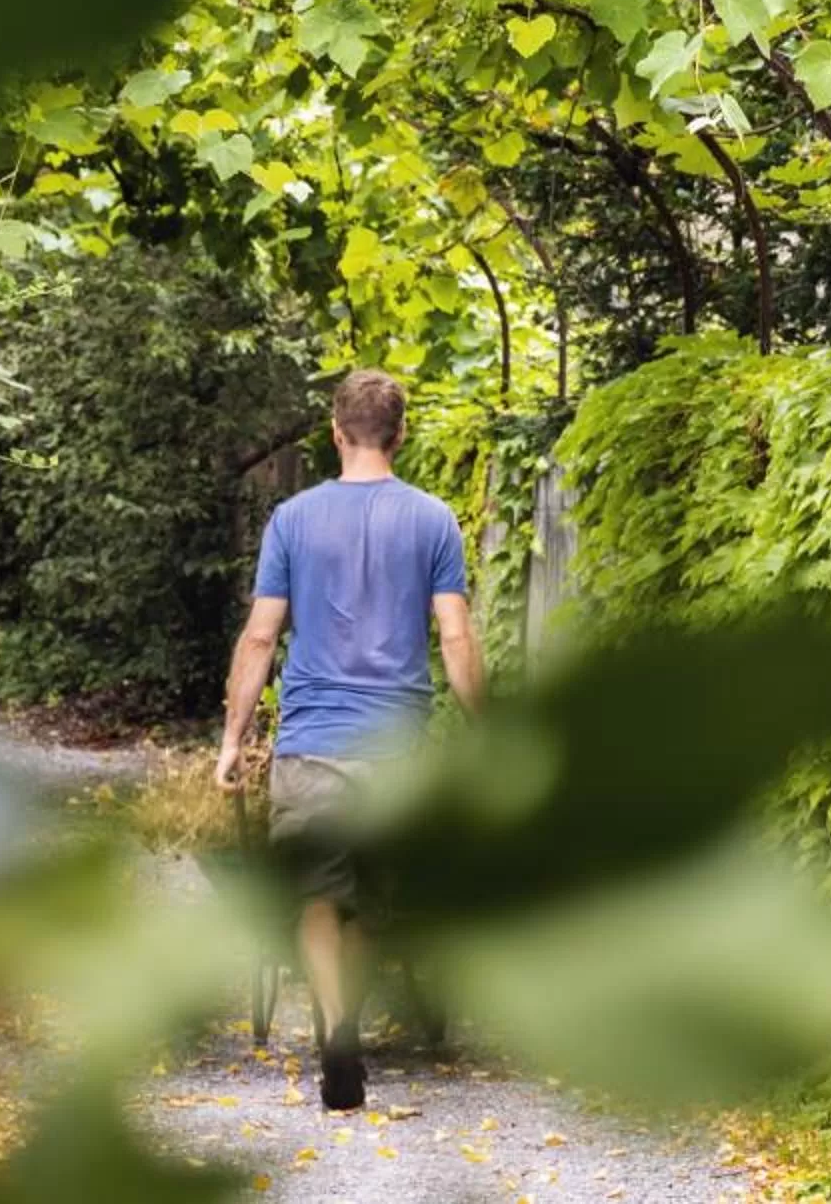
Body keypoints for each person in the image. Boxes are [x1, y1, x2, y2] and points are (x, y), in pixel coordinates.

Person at [215, 368, 485, 1112]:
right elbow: (456, 638)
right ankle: (347, 1026)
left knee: (316, 897)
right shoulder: (434, 520)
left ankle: (334, 1030)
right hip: (395, 749)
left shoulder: (292, 520)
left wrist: (233, 740)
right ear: (400, 434)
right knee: (371, 899)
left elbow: (261, 635)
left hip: (310, 742)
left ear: (336, 431)